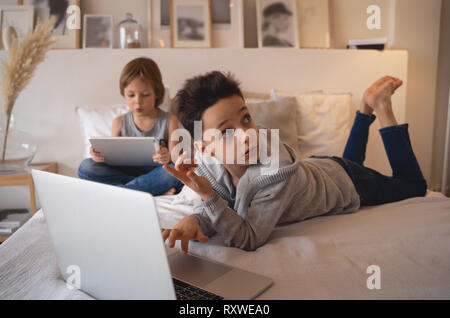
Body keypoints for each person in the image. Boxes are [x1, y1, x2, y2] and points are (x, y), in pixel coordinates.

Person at [161, 71, 427, 253]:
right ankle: (364, 107)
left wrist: (206, 195)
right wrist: (194, 221)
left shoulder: (275, 172)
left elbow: (249, 237)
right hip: (322, 168)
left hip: (349, 183)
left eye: (245, 119)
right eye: (226, 132)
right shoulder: (208, 166)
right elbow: (220, 207)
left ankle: (381, 105)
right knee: (348, 161)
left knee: (413, 185)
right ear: (204, 148)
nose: (245, 136)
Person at [78, 57, 183, 196]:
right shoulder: (119, 122)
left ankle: (122, 192)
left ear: (157, 93)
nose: (138, 102)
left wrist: (167, 156)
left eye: (145, 95)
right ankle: (150, 190)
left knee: (176, 171)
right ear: (124, 94)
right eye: (131, 95)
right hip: (125, 172)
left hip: (157, 172)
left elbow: (175, 158)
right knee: (86, 167)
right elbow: (111, 160)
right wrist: (98, 156)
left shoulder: (169, 120)